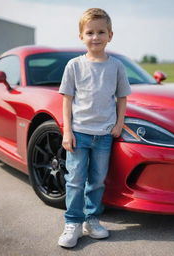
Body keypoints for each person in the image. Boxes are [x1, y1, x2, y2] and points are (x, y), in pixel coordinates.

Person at [58, 8, 131, 248]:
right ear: (81, 36)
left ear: (110, 35)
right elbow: (66, 100)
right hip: (79, 133)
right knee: (75, 179)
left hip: (105, 135)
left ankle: (92, 219)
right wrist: (67, 132)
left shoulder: (117, 66)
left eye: (101, 32)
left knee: (97, 180)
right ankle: (73, 223)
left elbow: (122, 97)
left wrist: (119, 123)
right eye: (90, 32)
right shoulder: (74, 66)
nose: (95, 37)